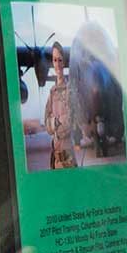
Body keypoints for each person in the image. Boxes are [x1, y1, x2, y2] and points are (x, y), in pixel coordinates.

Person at [45, 41, 77, 169]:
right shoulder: (52, 92)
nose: (57, 64)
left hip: (68, 158)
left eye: (60, 60)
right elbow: (46, 124)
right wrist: (56, 122)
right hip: (55, 160)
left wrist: (53, 123)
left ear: (64, 63)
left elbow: (69, 122)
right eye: (54, 60)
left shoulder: (70, 90)